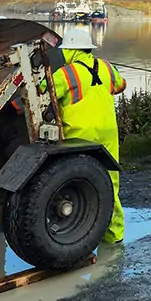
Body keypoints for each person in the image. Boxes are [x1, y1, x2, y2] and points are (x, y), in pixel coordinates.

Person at [42, 27, 127, 243]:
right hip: (108, 133)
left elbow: (43, 91)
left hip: (80, 137)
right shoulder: (107, 67)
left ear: (70, 51)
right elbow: (121, 85)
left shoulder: (65, 73)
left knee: (81, 183)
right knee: (110, 184)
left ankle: (81, 230)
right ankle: (114, 236)